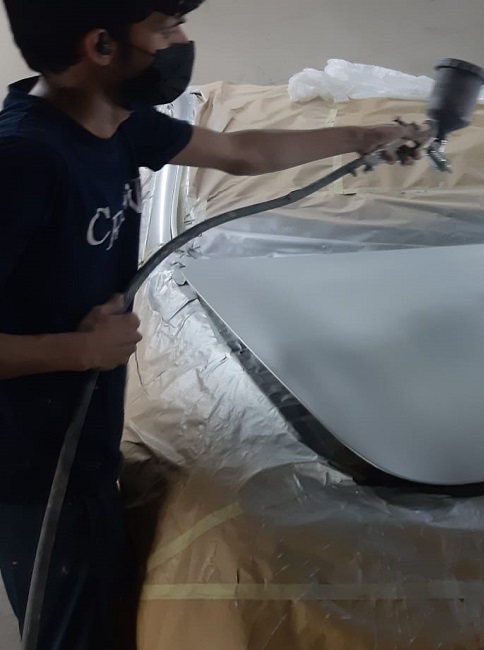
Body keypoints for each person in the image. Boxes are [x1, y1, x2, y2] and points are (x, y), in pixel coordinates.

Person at [0, 0, 424, 647]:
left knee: (107, 615)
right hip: (30, 468)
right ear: (101, 46)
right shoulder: (24, 160)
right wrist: (78, 351)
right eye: (165, 27)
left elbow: (240, 151)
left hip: (82, 447)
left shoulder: (116, 124)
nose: (180, 40)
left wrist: (362, 137)